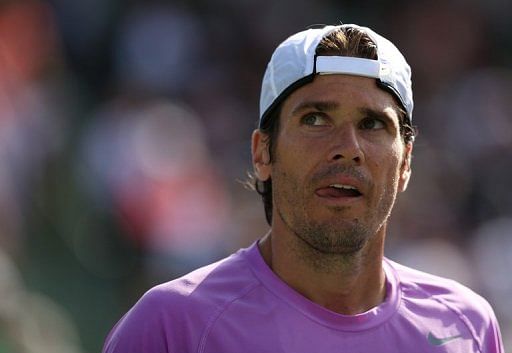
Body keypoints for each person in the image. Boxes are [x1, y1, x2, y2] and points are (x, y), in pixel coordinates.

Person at [102, 24, 504, 353]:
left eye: (372, 124)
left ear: (406, 163)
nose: (348, 149)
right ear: (263, 153)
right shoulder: (173, 325)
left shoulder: (466, 325)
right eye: (315, 119)